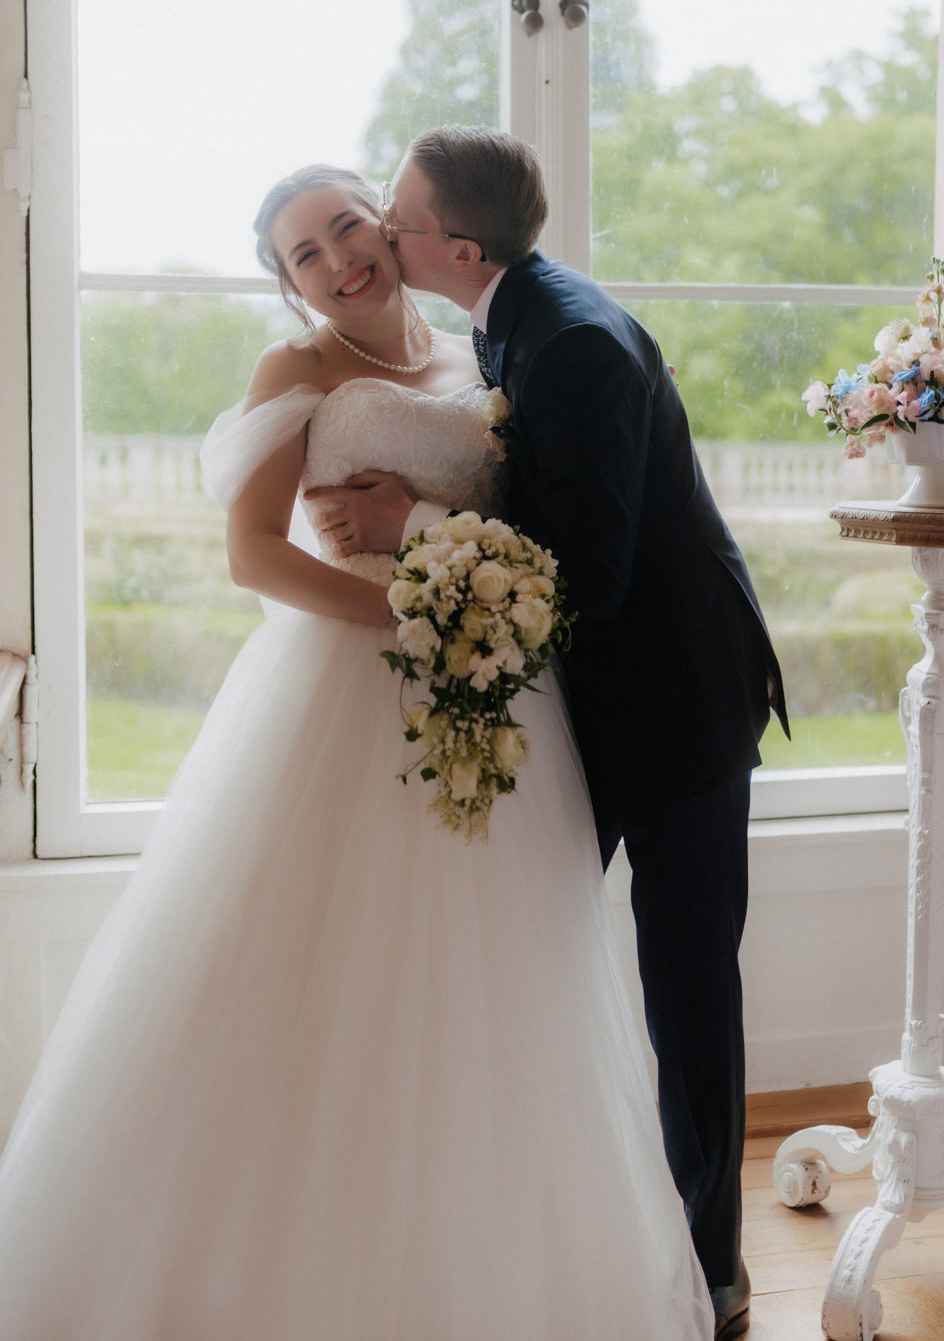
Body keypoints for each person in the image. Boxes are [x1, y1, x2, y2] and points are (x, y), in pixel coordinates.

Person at [0, 165, 715, 1341]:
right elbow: (253, 554)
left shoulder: (480, 356)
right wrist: (407, 612)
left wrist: (461, 599)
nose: (339, 260)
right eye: (305, 254)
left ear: (388, 227)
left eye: (347, 227)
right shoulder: (298, 371)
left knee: (495, 979)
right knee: (307, 964)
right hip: (346, 678)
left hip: (491, 690)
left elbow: (540, 522)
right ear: (289, 285)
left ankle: (475, 1255)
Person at [311, 128, 789, 1340]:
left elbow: (590, 571)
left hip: (676, 704)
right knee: (523, 958)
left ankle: (712, 1270)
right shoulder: (509, 313)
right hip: (591, 699)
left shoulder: (570, 341)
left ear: (460, 250)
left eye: (398, 216)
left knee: (686, 987)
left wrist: (415, 526)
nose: (382, 228)